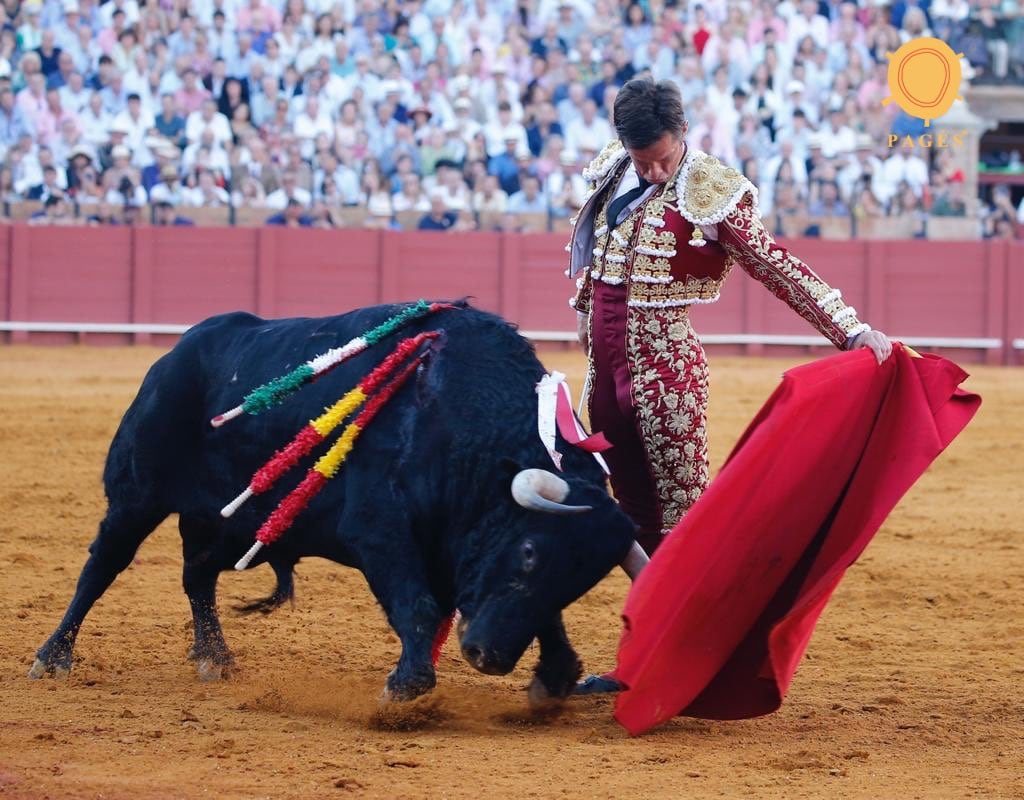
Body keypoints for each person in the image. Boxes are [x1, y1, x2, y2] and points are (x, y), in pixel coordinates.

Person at [565, 79, 892, 692]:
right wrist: (584, 308)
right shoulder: (613, 170)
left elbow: (774, 264)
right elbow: (593, 253)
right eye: (644, 160)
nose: (657, 170)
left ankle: (699, 669)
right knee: (630, 525)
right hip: (606, 378)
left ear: (684, 134)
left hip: (667, 379)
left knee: (684, 526)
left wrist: (850, 329)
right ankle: (644, 663)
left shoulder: (712, 189)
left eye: (664, 156)